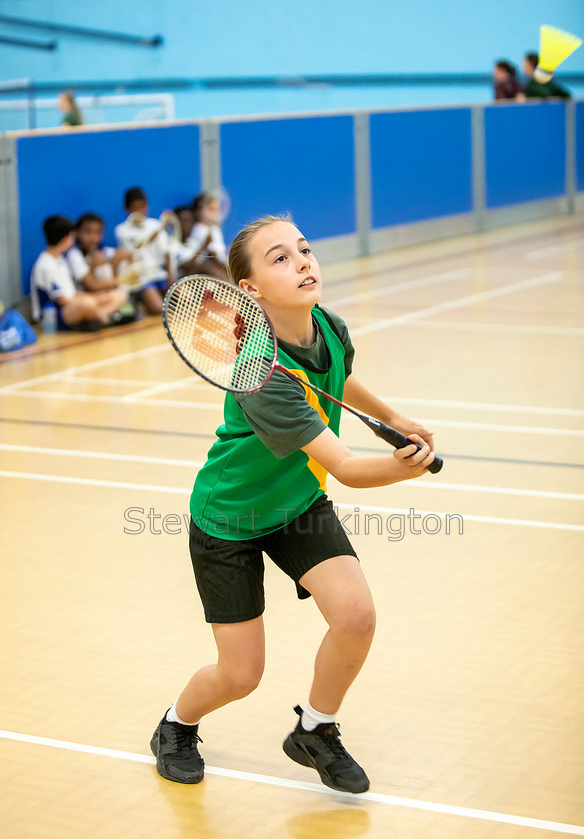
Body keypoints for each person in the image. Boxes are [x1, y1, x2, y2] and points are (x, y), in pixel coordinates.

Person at [150, 215, 437, 793]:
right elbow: (351, 470)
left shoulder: (327, 326)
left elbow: (337, 379)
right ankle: (175, 726)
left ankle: (315, 728)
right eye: (280, 258)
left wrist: (395, 419)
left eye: (303, 249)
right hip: (231, 518)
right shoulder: (259, 372)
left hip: (298, 502)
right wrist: (408, 467)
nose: (303, 261)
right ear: (249, 290)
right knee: (240, 675)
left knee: (355, 617)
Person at [31, 215, 130, 331]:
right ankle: (104, 318)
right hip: (54, 315)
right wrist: (93, 299)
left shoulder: (60, 260)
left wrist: (98, 296)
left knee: (118, 295)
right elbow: (62, 300)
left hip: (74, 304)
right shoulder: (45, 264)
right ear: (65, 239)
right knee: (87, 304)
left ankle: (97, 318)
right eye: (71, 236)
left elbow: (72, 292)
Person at [67, 212, 136, 324]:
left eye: (97, 233)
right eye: (88, 232)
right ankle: (101, 316)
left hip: (105, 295)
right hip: (87, 297)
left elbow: (129, 256)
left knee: (121, 294)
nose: (93, 237)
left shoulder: (104, 251)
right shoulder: (74, 255)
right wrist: (121, 280)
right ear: (77, 233)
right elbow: (92, 285)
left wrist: (118, 259)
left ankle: (103, 315)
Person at [114, 187, 171, 315]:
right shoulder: (121, 230)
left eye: (142, 206)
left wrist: (171, 276)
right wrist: (158, 231)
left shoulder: (155, 225)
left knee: (185, 299)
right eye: (135, 208)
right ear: (127, 209)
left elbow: (167, 253)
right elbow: (139, 245)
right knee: (159, 309)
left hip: (159, 274)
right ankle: (140, 301)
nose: (140, 211)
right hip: (141, 278)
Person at [188, 191, 229, 280]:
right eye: (210, 209)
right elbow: (203, 255)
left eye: (217, 209)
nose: (214, 212)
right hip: (204, 264)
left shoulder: (215, 229)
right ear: (199, 211)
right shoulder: (198, 228)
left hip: (219, 262)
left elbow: (219, 252)